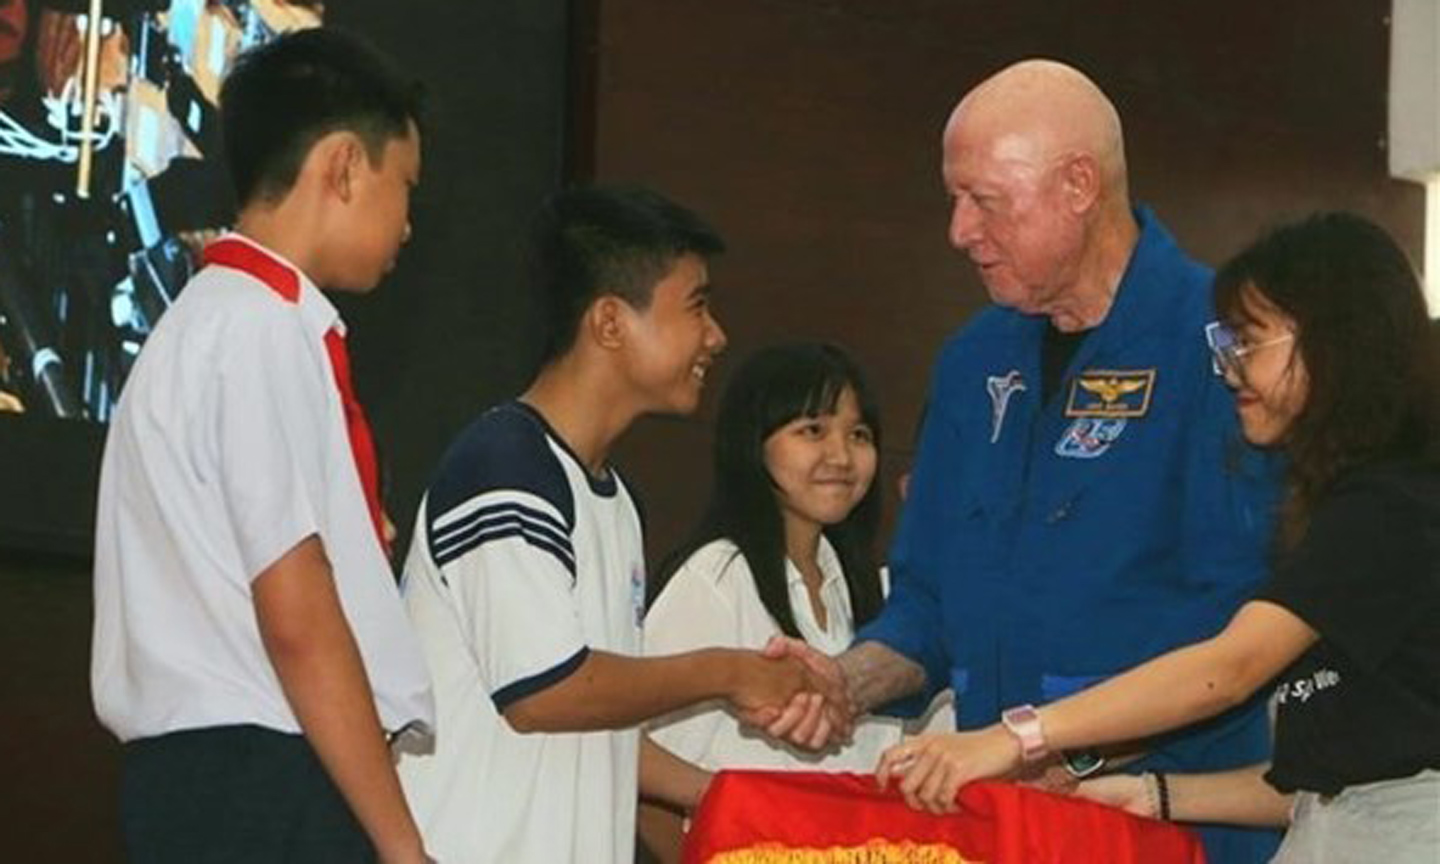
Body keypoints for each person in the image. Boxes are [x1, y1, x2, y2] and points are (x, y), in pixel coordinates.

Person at [767, 58, 1284, 864]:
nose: (958, 231)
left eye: (985, 201)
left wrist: (1068, 751)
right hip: (1003, 828)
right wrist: (844, 680)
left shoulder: (1212, 348)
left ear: (1079, 185)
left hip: (1165, 826)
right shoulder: (973, 361)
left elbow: (1239, 629)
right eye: (954, 199)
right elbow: (929, 599)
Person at [875, 211, 1440, 863]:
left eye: (1248, 343)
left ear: (1334, 344)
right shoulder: (1340, 508)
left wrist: (1017, 736)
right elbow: (1323, 787)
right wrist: (1154, 795)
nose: (1229, 372)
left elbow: (1228, 670)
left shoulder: (1393, 506)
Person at [395, 185, 832, 864]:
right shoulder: (505, 467)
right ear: (608, 323)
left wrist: (746, 802)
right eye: (697, 306)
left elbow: (602, 728)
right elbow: (544, 693)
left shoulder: (613, 498)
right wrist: (729, 671)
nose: (716, 336)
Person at [91, 28, 433, 863]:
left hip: (220, 780)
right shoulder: (257, 330)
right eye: (406, 188)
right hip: (264, 779)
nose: (411, 224)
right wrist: (402, 845)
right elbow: (299, 617)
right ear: (346, 167)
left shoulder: (211, 323)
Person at [640, 343, 952, 859]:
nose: (841, 456)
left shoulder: (874, 590)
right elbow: (635, 762)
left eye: (859, 434)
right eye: (812, 430)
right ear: (753, 443)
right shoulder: (717, 575)